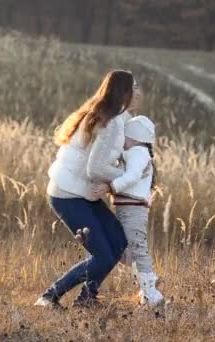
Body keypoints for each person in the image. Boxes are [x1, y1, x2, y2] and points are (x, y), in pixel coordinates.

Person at [34, 70, 136, 308]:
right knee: (103, 256)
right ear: (125, 92)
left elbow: (99, 162)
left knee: (119, 243)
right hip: (68, 195)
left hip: (81, 192)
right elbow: (95, 167)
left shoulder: (101, 113)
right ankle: (49, 296)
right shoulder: (108, 122)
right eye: (134, 88)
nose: (137, 93)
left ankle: (86, 299)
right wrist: (128, 177)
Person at [93, 115, 164, 306]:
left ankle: (152, 294)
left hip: (134, 210)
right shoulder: (134, 153)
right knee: (123, 250)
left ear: (133, 136)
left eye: (125, 135)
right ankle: (150, 281)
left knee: (138, 250)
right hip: (127, 208)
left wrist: (111, 187)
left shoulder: (138, 153)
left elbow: (131, 177)